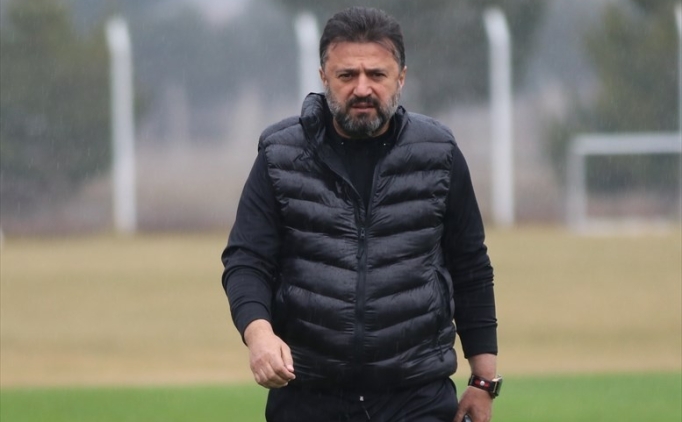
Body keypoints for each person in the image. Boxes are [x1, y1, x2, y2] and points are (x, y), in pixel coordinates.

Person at [221, 6, 500, 422]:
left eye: (377, 74)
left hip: (416, 398)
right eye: (347, 75)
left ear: (401, 77)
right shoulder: (280, 155)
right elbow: (246, 260)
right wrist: (258, 333)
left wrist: (483, 380)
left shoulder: (439, 154)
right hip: (308, 397)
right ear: (323, 77)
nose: (362, 88)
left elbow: (471, 268)